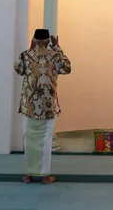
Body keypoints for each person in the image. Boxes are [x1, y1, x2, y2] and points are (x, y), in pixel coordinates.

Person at [14, 28, 71, 184]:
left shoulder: (25, 56)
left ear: (33, 41)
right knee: (45, 141)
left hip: (29, 107)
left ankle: (29, 175)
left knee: (29, 140)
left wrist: (31, 50)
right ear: (48, 42)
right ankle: (45, 176)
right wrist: (57, 47)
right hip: (47, 107)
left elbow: (18, 69)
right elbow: (67, 68)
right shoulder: (55, 56)